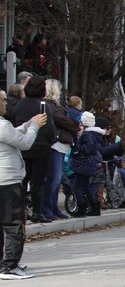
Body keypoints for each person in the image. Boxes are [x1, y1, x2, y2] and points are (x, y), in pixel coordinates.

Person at [0, 89, 46, 279]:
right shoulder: (2, 125)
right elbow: (24, 143)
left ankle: (5, 264)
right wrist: (34, 128)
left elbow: (12, 135)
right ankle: (10, 265)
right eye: (3, 100)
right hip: (8, 181)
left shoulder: (4, 126)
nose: (6, 103)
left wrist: (28, 123)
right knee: (14, 224)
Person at [12, 76, 55, 223]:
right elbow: (49, 128)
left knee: (23, 180)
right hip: (41, 146)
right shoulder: (43, 106)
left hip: (23, 145)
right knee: (38, 182)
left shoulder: (19, 105)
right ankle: (37, 212)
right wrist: (51, 140)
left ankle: (20, 212)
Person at [43, 79, 78, 220]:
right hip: (55, 144)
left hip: (60, 144)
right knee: (53, 179)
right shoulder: (50, 105)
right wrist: (75, 125)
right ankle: (47, 209)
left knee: (55, 180)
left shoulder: (55, 105)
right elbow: (60, 120)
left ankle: (53, 208)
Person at [68, 112, 109, 216]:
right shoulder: (93, 134)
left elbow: (88, 149)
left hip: (84, 164)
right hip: (89, 164)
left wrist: (77, 148)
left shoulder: (88, 135)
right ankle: (94, 207)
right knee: (86, 186)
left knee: (76, 187)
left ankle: (82, 207)